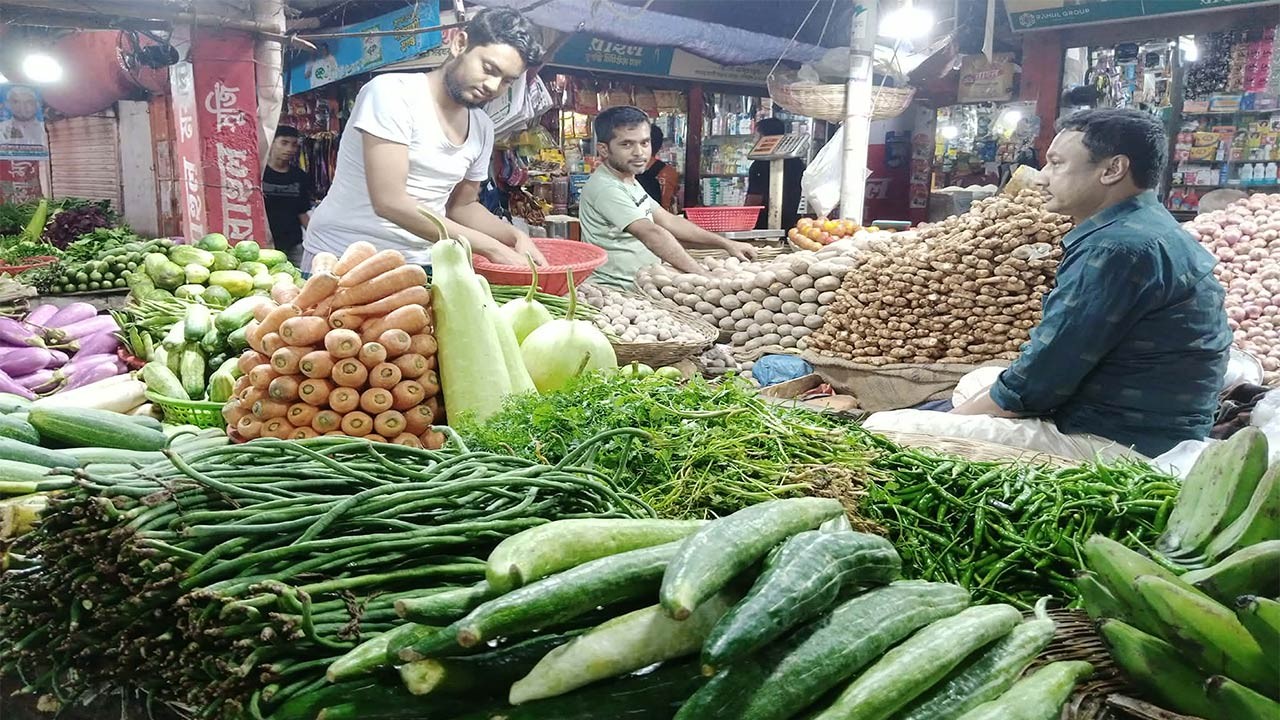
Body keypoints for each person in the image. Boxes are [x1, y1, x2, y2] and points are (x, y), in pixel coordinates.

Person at [865, 108, 1231, 461]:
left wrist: (945, 423)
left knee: (884, 427)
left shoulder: (1116, 249)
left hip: (1120, 443)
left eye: (1057, 163)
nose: (1041, 177)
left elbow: (1036, 385)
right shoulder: (1145, 224)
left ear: (1113, 169)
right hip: (1152, 423)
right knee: (978, 380)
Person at [303, 7, 546, 268]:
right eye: (488, 68)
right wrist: (490, 247)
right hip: (343, 258)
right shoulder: (391, 94)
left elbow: (461, 208)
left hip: (421, 264)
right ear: (459, 43)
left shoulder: (481, 128)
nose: (493, 86)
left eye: (507, 81)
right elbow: (390, 203)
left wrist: (514, 235)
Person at [579, 106, 757, 290]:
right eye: (627, 144)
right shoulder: (606, 188)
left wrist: (726, 243)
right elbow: (651, 233)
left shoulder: (628, 180)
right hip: (616, 291)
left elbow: (668, 220)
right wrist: (703, 275)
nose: (639, 152)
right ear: (604, 149)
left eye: (644, 143)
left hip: (642, 284)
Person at [262, 126, 314, 265]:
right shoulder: (259, 174)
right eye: (284, 143)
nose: (290, 149)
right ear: (272, 143)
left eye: (294, 145)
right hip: (264, 242)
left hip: (293, 242)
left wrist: (314, 236)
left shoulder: (299, 176)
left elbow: (302, 212)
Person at [745, 118, 804, 230]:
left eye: (756, 136)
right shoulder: (797, 162)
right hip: (792, 222)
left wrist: (743, 220)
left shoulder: (759, 165)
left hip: (762, 224)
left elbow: (754, 200)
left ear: (766, 139)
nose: (754, 140)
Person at [636, 124, 679, 211]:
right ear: (659, 145)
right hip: (662, 220)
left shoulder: (626, 171)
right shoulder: (669, 172)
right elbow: (670, 202)